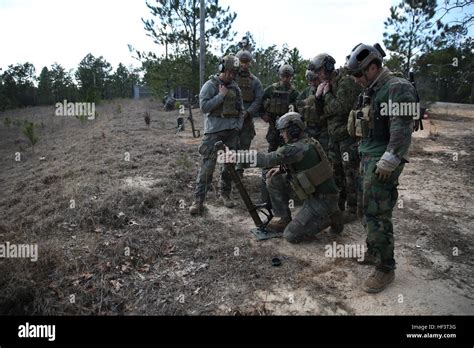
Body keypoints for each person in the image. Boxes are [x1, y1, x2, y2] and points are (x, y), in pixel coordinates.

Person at [346, 43, 416, 293]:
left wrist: (390, 159)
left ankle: (385, 268)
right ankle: (374, 251)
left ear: (373, 67)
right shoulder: (371, 90)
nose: (356, 80)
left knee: (378, 212)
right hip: (368, 156)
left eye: (358, 75)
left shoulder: (397, 87)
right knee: (365, 209)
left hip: (384, 159)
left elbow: (401, 129)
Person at [226, 112, 343, 243]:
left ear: (294, 130)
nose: (281, 134)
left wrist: (235, 156)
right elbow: (306, 166)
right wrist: (282, 168)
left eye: (283, 131)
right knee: (274, 179)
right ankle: (284, 218)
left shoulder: (295, 148)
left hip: (322, 200)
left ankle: (331, 216)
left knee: (290, 235)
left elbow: (266, 159)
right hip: (314, 192)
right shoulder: (307, 142)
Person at [308, 53, 362, 221]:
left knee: (350, 174)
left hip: (347, 137)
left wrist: (327, 95)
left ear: (329, 67)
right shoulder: (327, 84)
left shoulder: (345, 81)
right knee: (335, 174)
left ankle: (353, 210)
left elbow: (340, 107)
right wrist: (318, 97)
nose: (317, 75)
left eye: (319, 71)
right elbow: (320, 113)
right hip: (334, 137)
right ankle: (338, 207)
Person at [189, 55, 244, 215]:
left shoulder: (235, 88)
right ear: (221, 69)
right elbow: (204, 107)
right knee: (207, 168)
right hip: (213, 134)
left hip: (231, 133)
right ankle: (199, 201)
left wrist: (238, 126)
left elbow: (241, 110)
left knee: (229, 167)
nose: (232, 76)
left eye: (234, 73)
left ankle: (224, 195)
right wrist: (221, 96)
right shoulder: (210, 86)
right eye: (229, 72)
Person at [260, 64, 299, 207]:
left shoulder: (294, 93)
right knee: (270, 158)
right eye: (284, 76)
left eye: (288, 76)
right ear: (280, 76)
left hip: (287, 131)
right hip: (273, 130)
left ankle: (287, 194)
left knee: (287, 159)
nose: (286, 79)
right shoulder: (271, 89)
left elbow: (298, 110)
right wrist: (263, 115)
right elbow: (261, 103)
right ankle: (266, 194)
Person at [234, 49, 264, 178]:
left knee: (244, 146)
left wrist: (249, 112)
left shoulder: (255, 81)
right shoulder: (232, 77)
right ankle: (229, 172)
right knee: (230, 146)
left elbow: (259, 99)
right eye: (242, 62)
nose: (244, 65)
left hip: (246, 119)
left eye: (246, 62)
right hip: (231, 118)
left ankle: (239, 172)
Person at [297, 69, 330, 153]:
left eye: (314, 80)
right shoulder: (307, 91)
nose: (312, 83)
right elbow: (298, 103)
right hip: (310, 127)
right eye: (310, 81)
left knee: (324, 151)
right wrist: (310, 100)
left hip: (323, 128)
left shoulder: (327, 88)